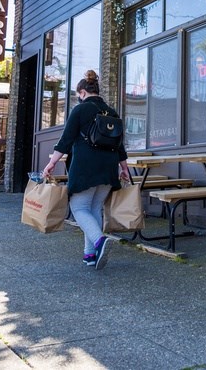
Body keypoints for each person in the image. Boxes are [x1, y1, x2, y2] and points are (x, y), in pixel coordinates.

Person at [42, 70, 130, 270]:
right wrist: (124, 168)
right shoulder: (112, 112)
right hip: (109, 168)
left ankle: (99, 241)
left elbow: (66, 139)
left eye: (77, 95)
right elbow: (120, 144)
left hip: (85, 167)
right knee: (93, 209)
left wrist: (51, 163)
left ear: (82, 92)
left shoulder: (80, 110)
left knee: (79, 208)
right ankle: (90, 254)